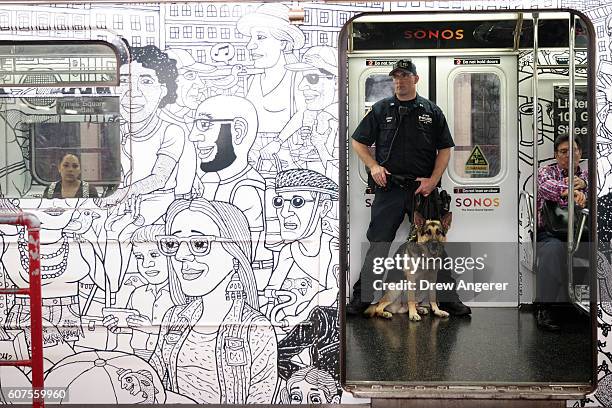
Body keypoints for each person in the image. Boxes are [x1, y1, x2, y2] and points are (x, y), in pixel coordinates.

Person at [346, 59, 470, 316]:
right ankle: (362, 298)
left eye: (404, 76)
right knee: (378, 244)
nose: (399, 81)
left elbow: (445, 148)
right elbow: (358, 141)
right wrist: (373, 166)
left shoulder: (431, 111)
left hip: (421, 190)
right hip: (389, 188)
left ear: (415, 79)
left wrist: (434, 179)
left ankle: (447, 300)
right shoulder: (381, 109)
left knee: (434, 243)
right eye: (395, 77)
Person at [149, 198, 278, 403]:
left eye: (199, 244)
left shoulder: (256, 328)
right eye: (173, 243)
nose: (181, 255)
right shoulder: (174, 318)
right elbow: (150, 382)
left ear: (235, 254)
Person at [535, 132, 588, 331]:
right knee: (552, 251)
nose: (569, 155)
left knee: (600, 250)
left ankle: (588, 303)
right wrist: (572, 190)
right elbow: (545, 187)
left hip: (582, 231)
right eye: (563, 152)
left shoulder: (589, 175)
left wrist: (586, 185)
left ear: (580, 153)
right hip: (551, 231)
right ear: (556, 155)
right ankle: (545, 308)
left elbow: (602, 191)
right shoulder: (546, 171)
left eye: (573, 150)